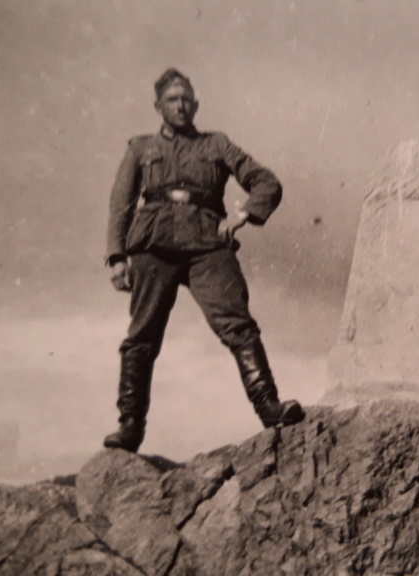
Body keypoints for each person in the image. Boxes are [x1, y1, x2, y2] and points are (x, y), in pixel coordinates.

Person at [102, 68, 304, 453]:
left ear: (196, 105)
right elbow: (120, 203)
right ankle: (129, 426)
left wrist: (243, 215)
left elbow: (267, 182)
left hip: (208, 243)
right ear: (158, 106)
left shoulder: (217, 144)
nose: (180, 105)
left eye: (186, 99)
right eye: (172, 99)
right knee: (142, 336)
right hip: (153, 243)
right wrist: (116, 257)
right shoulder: (139, 148)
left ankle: (269, 406)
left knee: (238, 325)